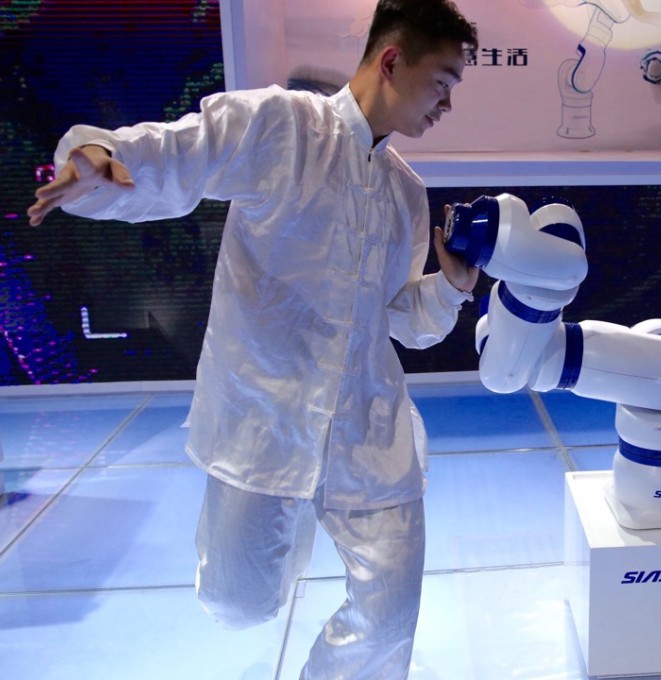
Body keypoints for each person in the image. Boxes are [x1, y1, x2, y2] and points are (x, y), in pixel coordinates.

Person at [27, 1, 479, 678]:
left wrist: (450, 287)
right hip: (268, 415)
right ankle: (282, 518)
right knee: (238, 603)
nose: (447, 104)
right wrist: (102, 159)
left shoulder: (405, 194)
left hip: (367, 425)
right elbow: (181, 151)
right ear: (392, 60)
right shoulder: (284, 126)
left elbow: (401, 321)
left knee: (388, 615)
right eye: (443, 82)